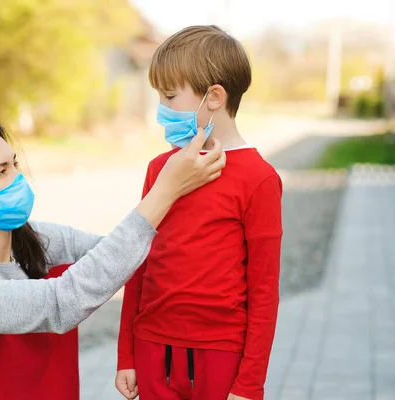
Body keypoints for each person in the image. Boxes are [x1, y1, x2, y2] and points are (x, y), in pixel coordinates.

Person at [0, 115, 225, 399]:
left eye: (14, 164)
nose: (18, 179)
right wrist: (164, 190)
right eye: (1, 173)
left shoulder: (38, 241)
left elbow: (125, 255)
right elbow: (59, 303)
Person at [115, 25, 283, 400]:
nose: (161, 109)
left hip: (221, 355)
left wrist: (250, 383)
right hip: (152, 349)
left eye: (170, 96)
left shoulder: (259, 179)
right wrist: (126, 353)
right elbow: (137, 263)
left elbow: (264, 290)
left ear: (215, 97)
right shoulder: (161, 170)